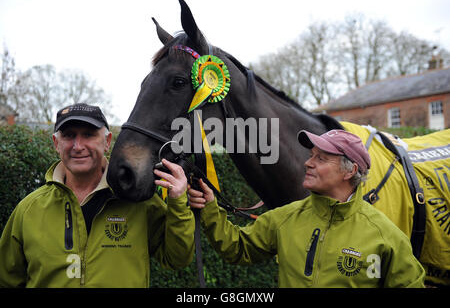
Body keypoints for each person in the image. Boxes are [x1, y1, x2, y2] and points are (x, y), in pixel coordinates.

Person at [188, 129, 425, 287]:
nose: (307, 163)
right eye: (311, 155)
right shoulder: (285, 218)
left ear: (350, 171)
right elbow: (237, 247)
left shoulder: (386, 236)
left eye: (321, 159)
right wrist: (210, 207)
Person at [0, 103, 195, 288]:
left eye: (88, 135)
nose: (78, 146)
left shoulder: (138, 200)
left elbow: (177, 258)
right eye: (69, 135)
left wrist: (178, 201)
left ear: (107, 142)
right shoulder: (28, 210)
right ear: (56, 144)